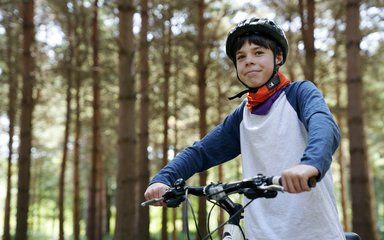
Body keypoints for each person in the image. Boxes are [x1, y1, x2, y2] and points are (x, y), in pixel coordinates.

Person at [144, 17, 345, 240]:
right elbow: (201, 152)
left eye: (258, 53)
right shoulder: (244, 114)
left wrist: (310, 165)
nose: (249, 61)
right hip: (259, 234)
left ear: (278, 57)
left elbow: (324, 125)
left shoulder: (299, 93)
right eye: (241, 57)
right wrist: (163, 179)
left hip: (312, 233)